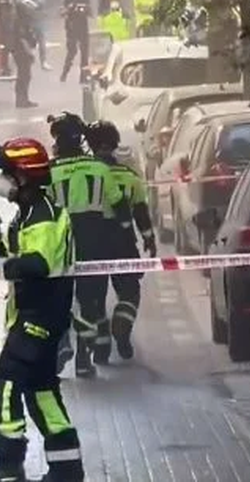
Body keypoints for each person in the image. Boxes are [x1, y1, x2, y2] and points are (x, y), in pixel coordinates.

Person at [0, 137, 85, 481]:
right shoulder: (30, 213)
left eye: (6, 174)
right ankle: (67, 468)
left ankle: (10, 465)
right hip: (38, 317)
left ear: (22, 177)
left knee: (4, 386)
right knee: (42, 393)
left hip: (40, 318)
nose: (1, 181)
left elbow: (36, 264)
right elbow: (6, 249)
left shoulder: (43, 217)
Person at [46, 113, 126, 378]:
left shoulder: (49, 171)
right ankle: (83, 357)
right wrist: (125, 235)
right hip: (94, 242)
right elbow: (119, 205)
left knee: (58, 298)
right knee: (90, 302)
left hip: (59, 243)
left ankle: (62, 343)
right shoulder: (99, 169)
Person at [85, 121, 157, 360]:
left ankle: (101, 345)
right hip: (123, 242)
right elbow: (140, 212)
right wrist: (149, 238)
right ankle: (122, 325)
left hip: (92, 243)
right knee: (129, 291)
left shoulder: (86, 177)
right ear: (115, 144)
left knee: (94, 298)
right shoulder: (130, 177)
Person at [14, 0, 50, 71]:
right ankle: (29, 59)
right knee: (26, 41)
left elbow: (42, 3)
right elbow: (18, 4)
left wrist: (33, 4)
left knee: (41, 41)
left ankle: (44, 61)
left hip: (38, 19)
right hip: (27, 21)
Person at [60, 0, 92, 83]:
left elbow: (90, 13)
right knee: (71, 52)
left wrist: (86, 10)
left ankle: (83, 77)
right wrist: (70, 9)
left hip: (83, 28)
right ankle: (64, 74)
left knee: (84, 54)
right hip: (72, 29)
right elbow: (62, 12)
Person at [11, 8, 39, 109]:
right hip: (22, 52)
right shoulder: (21, 23)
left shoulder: (21, 22)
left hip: (20, 52)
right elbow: (22, 40)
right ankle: (21, 100)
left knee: (24, 76)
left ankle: (23, 99)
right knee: (24, 76)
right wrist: (29, 53)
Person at [0, 0, 14, 76]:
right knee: (5, 48)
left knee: (6, 48)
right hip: (4, 27)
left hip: (5, 27)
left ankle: (5, 67)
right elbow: (6, 13)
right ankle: (5, 68)